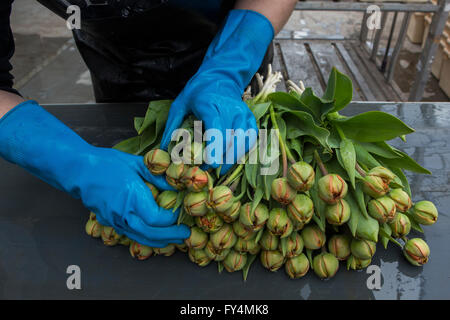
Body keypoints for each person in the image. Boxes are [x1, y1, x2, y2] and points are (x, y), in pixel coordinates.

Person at [0, 0, 297, 248]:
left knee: (243, 159)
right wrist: (72, 161)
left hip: (236, 52)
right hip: (120, 70)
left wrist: (229, 66)